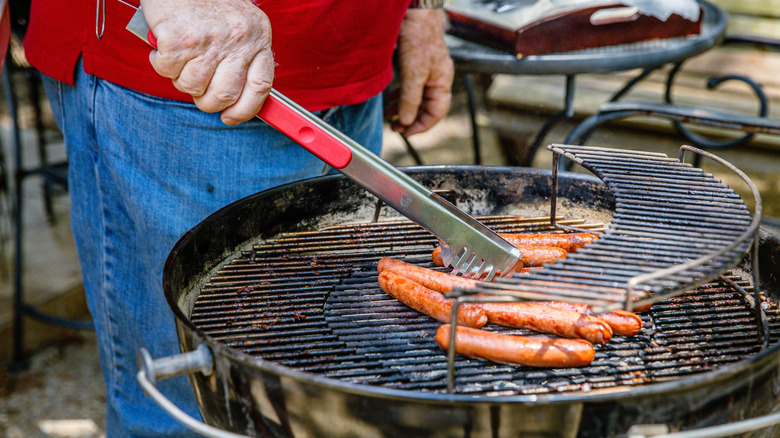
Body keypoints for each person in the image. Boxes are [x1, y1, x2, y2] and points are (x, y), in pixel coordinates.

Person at [22, 0, 454, 436]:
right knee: (191, 414)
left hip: (356, 70)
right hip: (191, 85)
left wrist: (424, 11)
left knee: (326, 383)